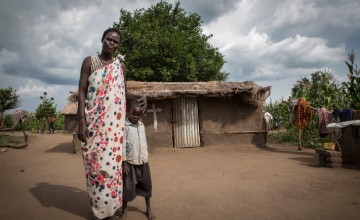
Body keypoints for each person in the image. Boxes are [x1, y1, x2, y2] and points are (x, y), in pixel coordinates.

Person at [77, 28, 146, 220]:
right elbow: (82, 91)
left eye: (115, 41)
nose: (111, 43)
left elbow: (123, 92)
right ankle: (99, 211)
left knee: (113, 168)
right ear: (102, 39)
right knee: (94, 166)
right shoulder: (89, 62)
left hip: (114, 129)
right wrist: (81, 121)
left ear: (118, 45)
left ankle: (110, 210)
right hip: (93, 124)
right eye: (109, 39)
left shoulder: (120, 66)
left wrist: (141, 97)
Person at [122, 99, 154, 220]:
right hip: (130, 163)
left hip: (143, 162)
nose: (136, 117)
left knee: (147, 186)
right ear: (127, 112)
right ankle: (124, 211)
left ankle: (148, 209)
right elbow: (122, 145)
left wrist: (146, 156)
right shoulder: (125, 127)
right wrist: (124, 163)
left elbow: (144, 141)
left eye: (139, 114)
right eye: (133, 114)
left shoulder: (141, 126)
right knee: (128, 188)